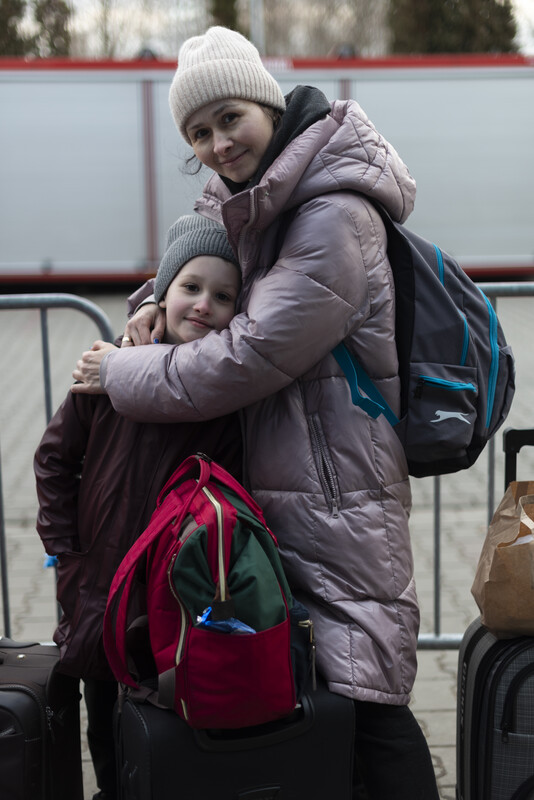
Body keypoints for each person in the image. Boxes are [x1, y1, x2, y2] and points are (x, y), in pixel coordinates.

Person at [72, 26, 440, 799]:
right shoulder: (251, 197)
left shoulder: (332, 214)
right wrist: (147, 314)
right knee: (308, 687)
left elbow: (248, 358)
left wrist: (124, 371)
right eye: (197, 132)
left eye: (229, 118)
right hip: (279, 481)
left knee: (366, 689)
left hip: (337, 487)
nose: (216, 143)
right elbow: (195, 258)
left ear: (269, 106)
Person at [35, 214, 243, 800]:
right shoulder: (109, 370)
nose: (203, 305)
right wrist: (64, 545)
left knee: (162, 717)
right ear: (162, 293)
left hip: (173, 590)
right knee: (101, 717)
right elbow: (54, 459)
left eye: (223, 296)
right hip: (99, 578)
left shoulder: (225, 394)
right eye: (191, 287)